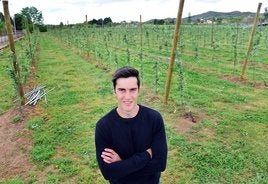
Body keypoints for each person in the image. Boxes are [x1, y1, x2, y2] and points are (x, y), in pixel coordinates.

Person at [95, 66, 168, 184]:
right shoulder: (104, 126)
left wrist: (121, 165)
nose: (127, 97)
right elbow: (107, 172)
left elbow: (160, 164)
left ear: (139, 90)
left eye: (132, 90)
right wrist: (146, 155)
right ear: (114, 91)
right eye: (122, 90)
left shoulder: (154, 119)